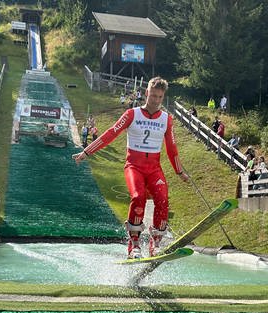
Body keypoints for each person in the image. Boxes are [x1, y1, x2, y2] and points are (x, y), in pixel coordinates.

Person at [72, 77, 190, 259]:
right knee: (138, 196)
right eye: (153, 96)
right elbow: (110, 134)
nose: (156, 100)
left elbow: (172, 148)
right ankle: (134, 244)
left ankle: (156, 242)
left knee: (162, 198)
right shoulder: (132, 114)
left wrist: (179, 171)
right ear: (146, 94)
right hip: (134, 166)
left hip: (154, 168)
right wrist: (86, 152)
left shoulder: (167, 119)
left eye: (160, 97)